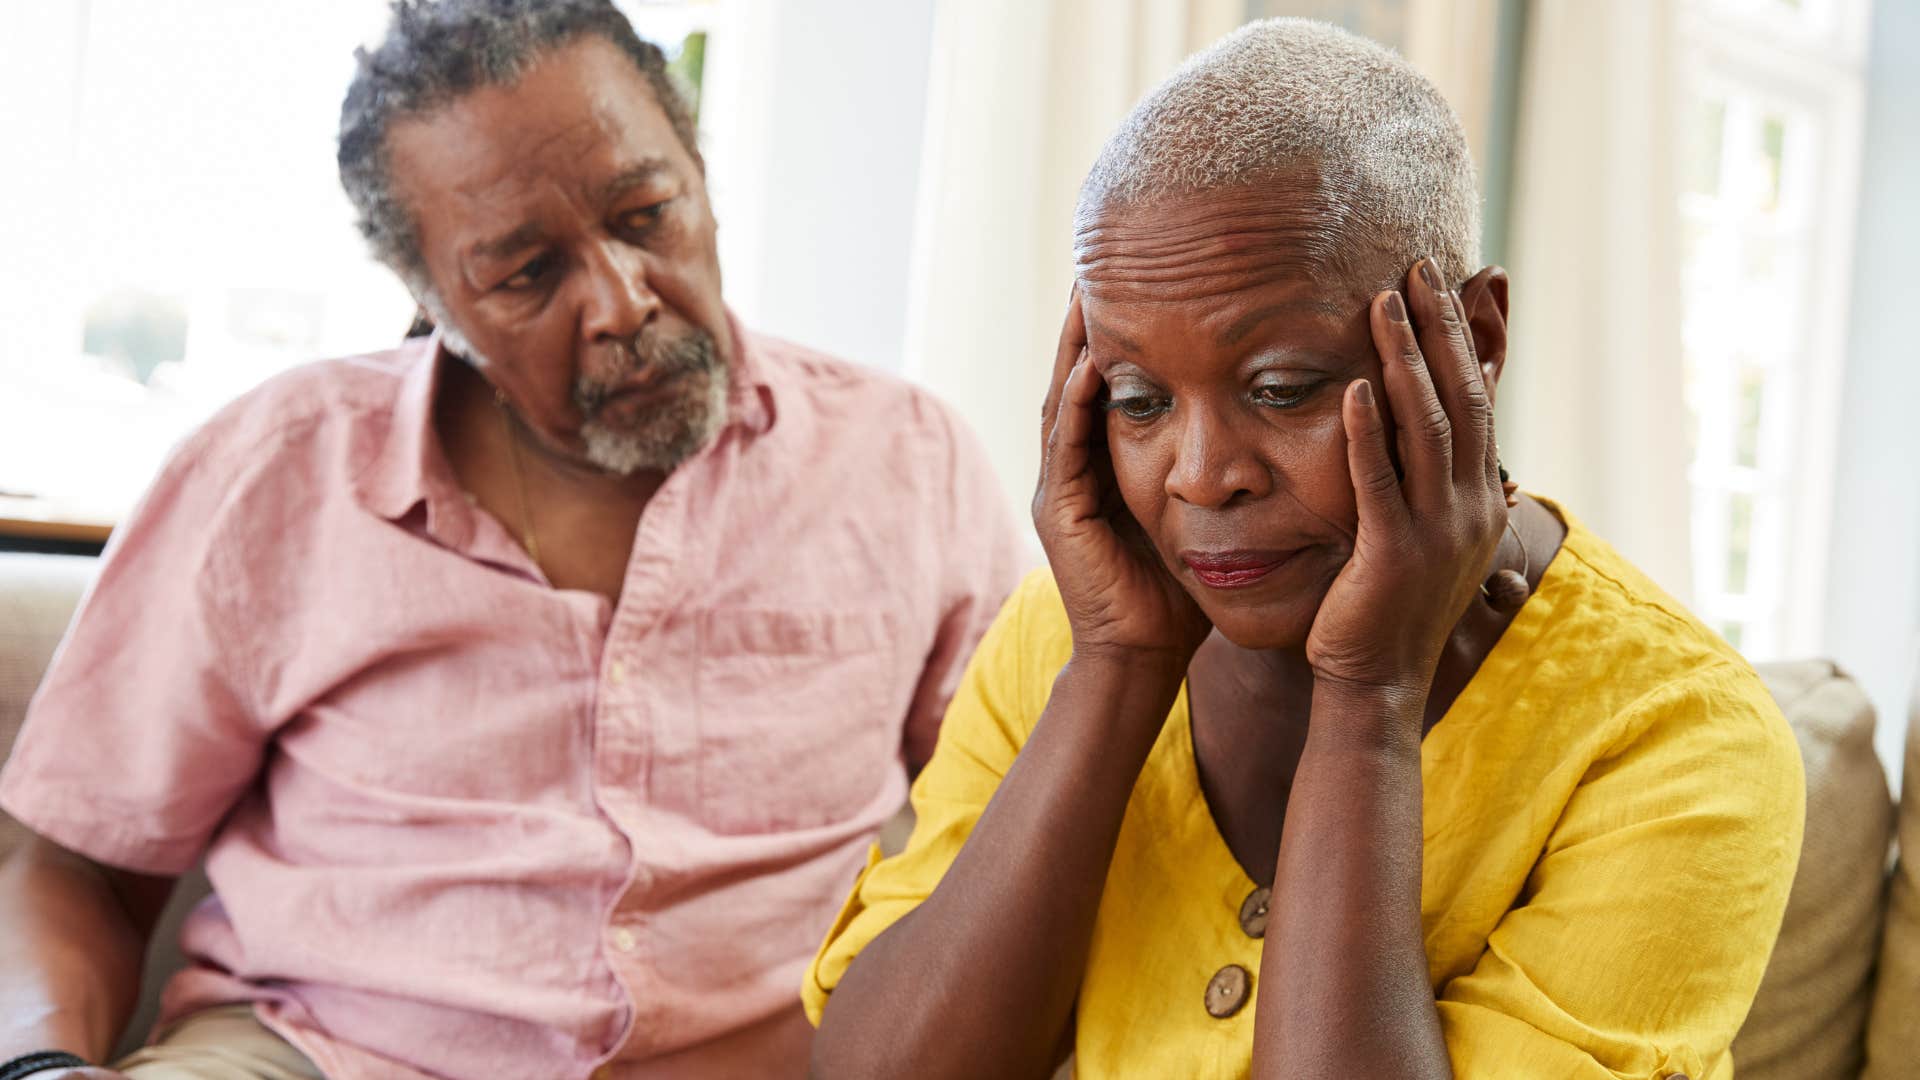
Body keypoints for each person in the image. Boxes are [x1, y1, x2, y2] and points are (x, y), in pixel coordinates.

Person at [0, 2, 1023, 1078]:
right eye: (527, 273)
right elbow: (83, 871)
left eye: (646, 214)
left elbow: (1018, 829)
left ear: (702, 175)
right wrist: (43, 1068)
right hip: (322, 1055)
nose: (622, 302)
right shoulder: (273, 469)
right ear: (429, 295)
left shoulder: (906, 460)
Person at [805, 19, 1803, 1080]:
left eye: (1281, 389)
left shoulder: (1680, 742)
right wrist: (1116, 670)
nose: (1199, 474)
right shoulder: (1067, 629)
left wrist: (1368, 697)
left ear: (1476, 343)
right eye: (1139, 400)